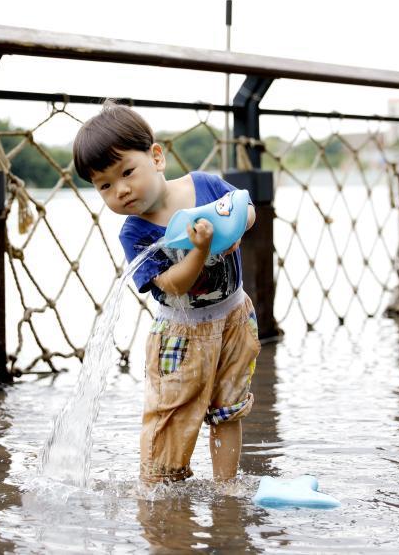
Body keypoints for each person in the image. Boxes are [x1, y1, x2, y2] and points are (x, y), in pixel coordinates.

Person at [72, 100, 261, 484]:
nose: (121, 190)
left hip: (235, 317)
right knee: (171, 417)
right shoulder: (135, 232)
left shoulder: (204, 186)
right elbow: (173, 285)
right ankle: (160, 497)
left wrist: (236, 229)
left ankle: (226, 488)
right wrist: (202, 251)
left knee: (229, 408)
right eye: (105, 185)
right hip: (182, 333)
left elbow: (246, 207)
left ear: (156, 157)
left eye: (127, 172)